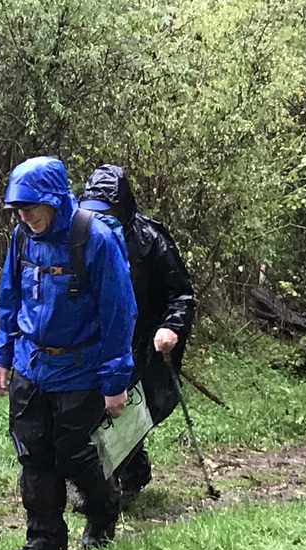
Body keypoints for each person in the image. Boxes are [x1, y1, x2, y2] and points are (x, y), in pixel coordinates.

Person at [0, 156, 136, 550]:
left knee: (74, 453)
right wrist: (2, 355)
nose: (24, 217)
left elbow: (119, 311)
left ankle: (103, 508)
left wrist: (115, 381)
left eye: (31, 207)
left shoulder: (95, 239)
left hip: (79, 369)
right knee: (32, 453)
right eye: (18, 210)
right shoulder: (21, 238)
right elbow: (10, 298)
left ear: (54, 200)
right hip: (30, 364)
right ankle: (45, 540)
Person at [78, 164, 196, 498]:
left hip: (144, 341)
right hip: (98, 338)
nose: (100, 218)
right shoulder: (79, 236)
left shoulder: (150, 240)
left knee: (130, 410)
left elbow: (181, 294)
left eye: (107, 212)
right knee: (92, 409)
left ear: (123, 208)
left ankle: (117, 482)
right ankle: (117, 475)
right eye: (93, 211)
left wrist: (171, 326)